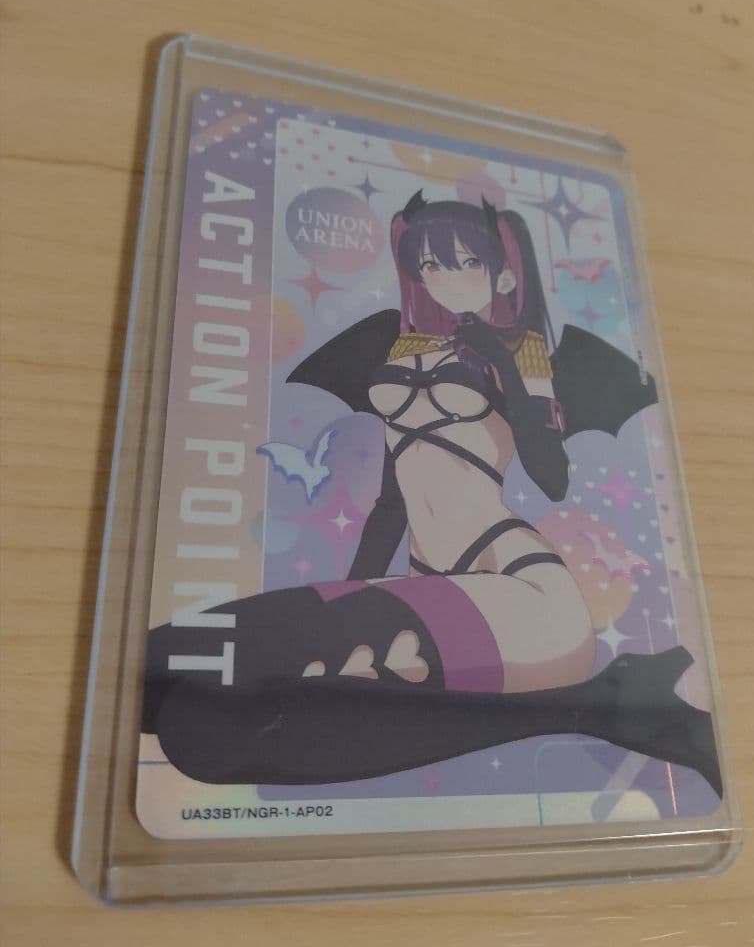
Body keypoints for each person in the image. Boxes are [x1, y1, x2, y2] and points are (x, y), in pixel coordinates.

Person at [142, 193, 721, 796]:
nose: (447, 278)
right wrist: (354, 586)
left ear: (502, 273)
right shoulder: (401, 347)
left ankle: (588, 708)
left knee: (204, 738)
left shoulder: (525, 352)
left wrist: (500, 361)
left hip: (518, 586)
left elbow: (552, 476)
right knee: (174, 658)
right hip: (429, 579)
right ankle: (595, 708)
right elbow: (393, 501)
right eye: (431, 265)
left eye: (467, 262)